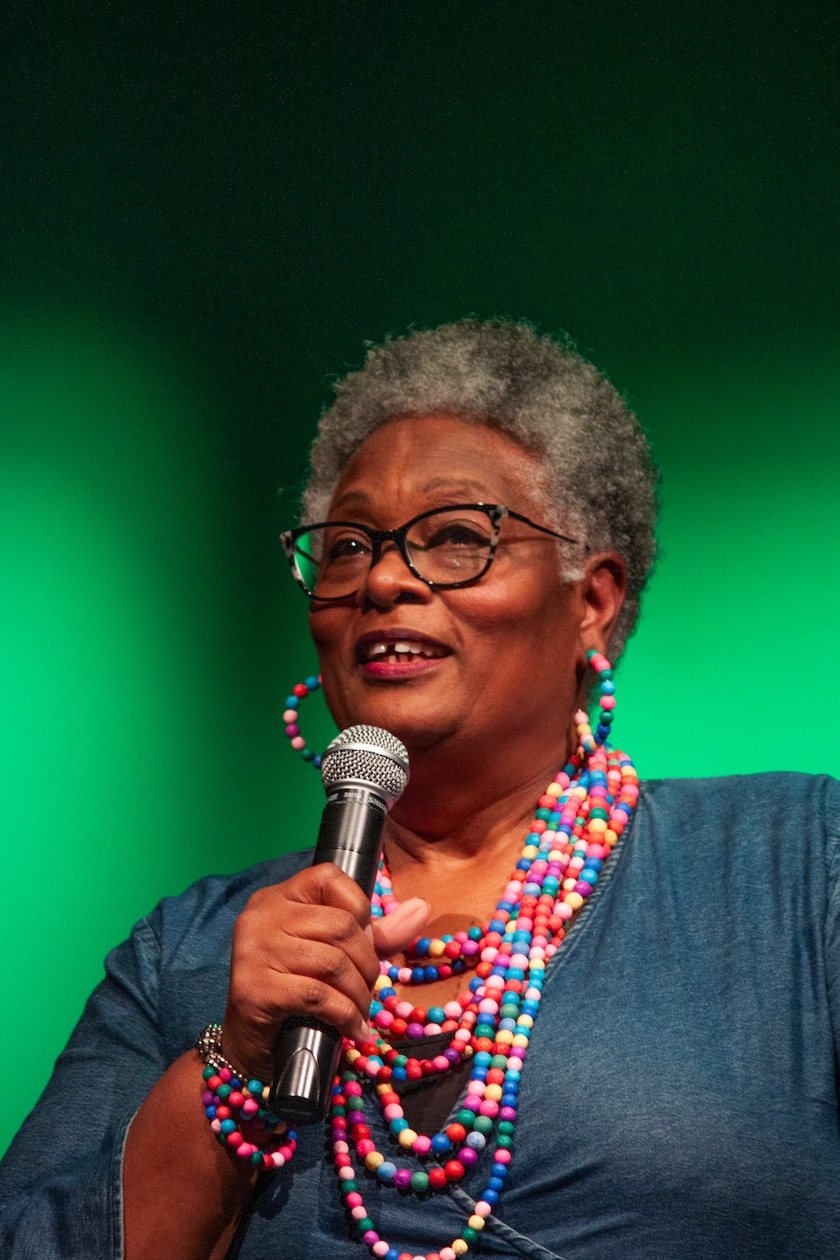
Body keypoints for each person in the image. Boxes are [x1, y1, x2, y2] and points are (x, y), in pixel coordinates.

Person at [1, 318, 838, 1260]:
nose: (385, 578)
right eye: (350, 545)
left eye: (453, 538)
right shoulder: (191, 957)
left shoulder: (796, 873)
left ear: (592, 602)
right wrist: (236, 1062)